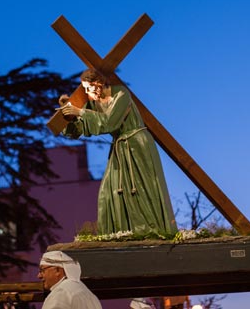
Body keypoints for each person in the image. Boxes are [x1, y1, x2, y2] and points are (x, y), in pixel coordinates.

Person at [59, 69, 177, 238]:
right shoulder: (93, 103)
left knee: (141, 188)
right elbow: (79, 129)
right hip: (120, 148)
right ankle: (116, 233)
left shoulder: (122, 94)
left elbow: (110, 123)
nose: (86, 92)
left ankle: (150, 231)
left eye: (88, 88)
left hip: (137, 145)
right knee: (108, 192)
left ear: (98, 84)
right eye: (84, 89)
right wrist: (67, 112)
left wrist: (80, 112)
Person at [37, 250, 101, 309]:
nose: (39, 276)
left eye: (42, 270)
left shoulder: (61, 293)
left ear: (57, 270)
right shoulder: (86, 292)